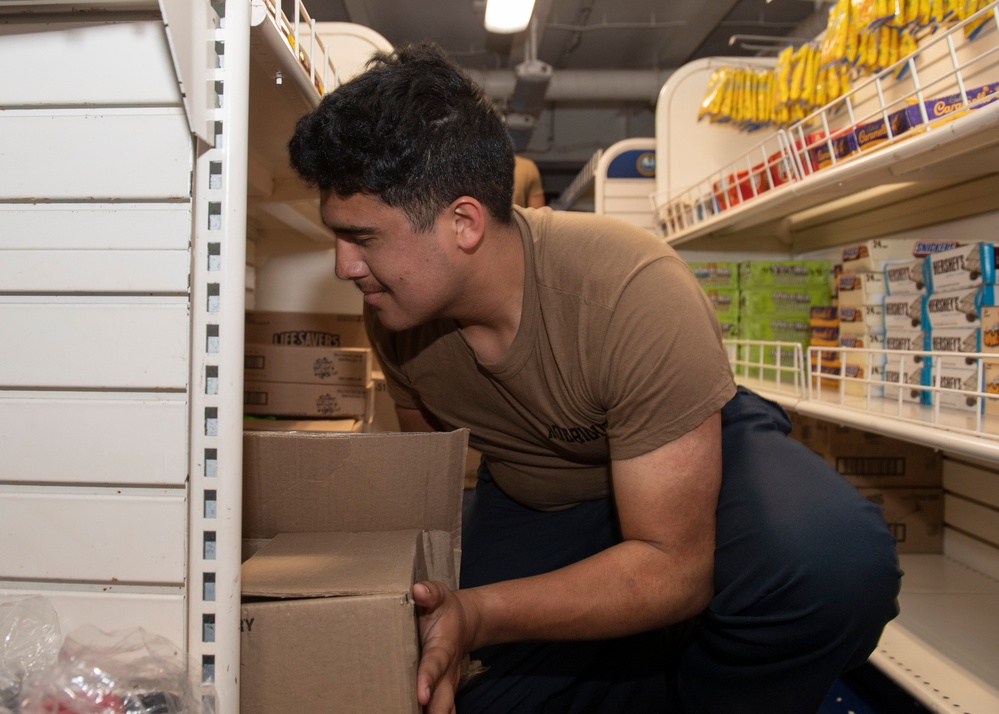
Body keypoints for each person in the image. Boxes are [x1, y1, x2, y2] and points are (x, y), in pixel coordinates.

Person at [288, 42, 901, 714]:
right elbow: (430, 486)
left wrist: (483, 613)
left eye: (363, 238)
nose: (345, 266)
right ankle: (641, 659)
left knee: (826, 559)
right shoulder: (397, 313)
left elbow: (672, 564)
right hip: (539, 492)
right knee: (460, 684)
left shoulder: (628, 287)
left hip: (692, 461)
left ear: (462, 223)